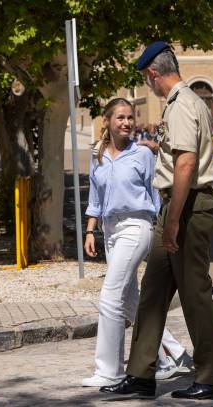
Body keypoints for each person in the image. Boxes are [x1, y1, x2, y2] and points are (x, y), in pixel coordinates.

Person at [101, 41, 213, 400]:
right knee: (153, 293)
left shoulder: (182, 104)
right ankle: (141, 373)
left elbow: (186, 164)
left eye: (147, 79)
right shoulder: (183, 103)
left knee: (194, 293)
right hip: (172, 206)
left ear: (153, 74)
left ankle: (212, 378)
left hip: (188, 207)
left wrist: (173, 222)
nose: (149, 86)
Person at [82, 98, 192, 388]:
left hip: (137, 226)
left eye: (130, 117)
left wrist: (165, 231)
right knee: (130, 299)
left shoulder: (142, 154)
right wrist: (90, 231)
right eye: (120, 117)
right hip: (109, 229)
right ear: (106, 121)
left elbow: (155, 197)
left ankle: (110, 371)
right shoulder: (97, 155)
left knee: (110, 296)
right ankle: (170, 355)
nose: (126, 123)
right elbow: (95, 198)